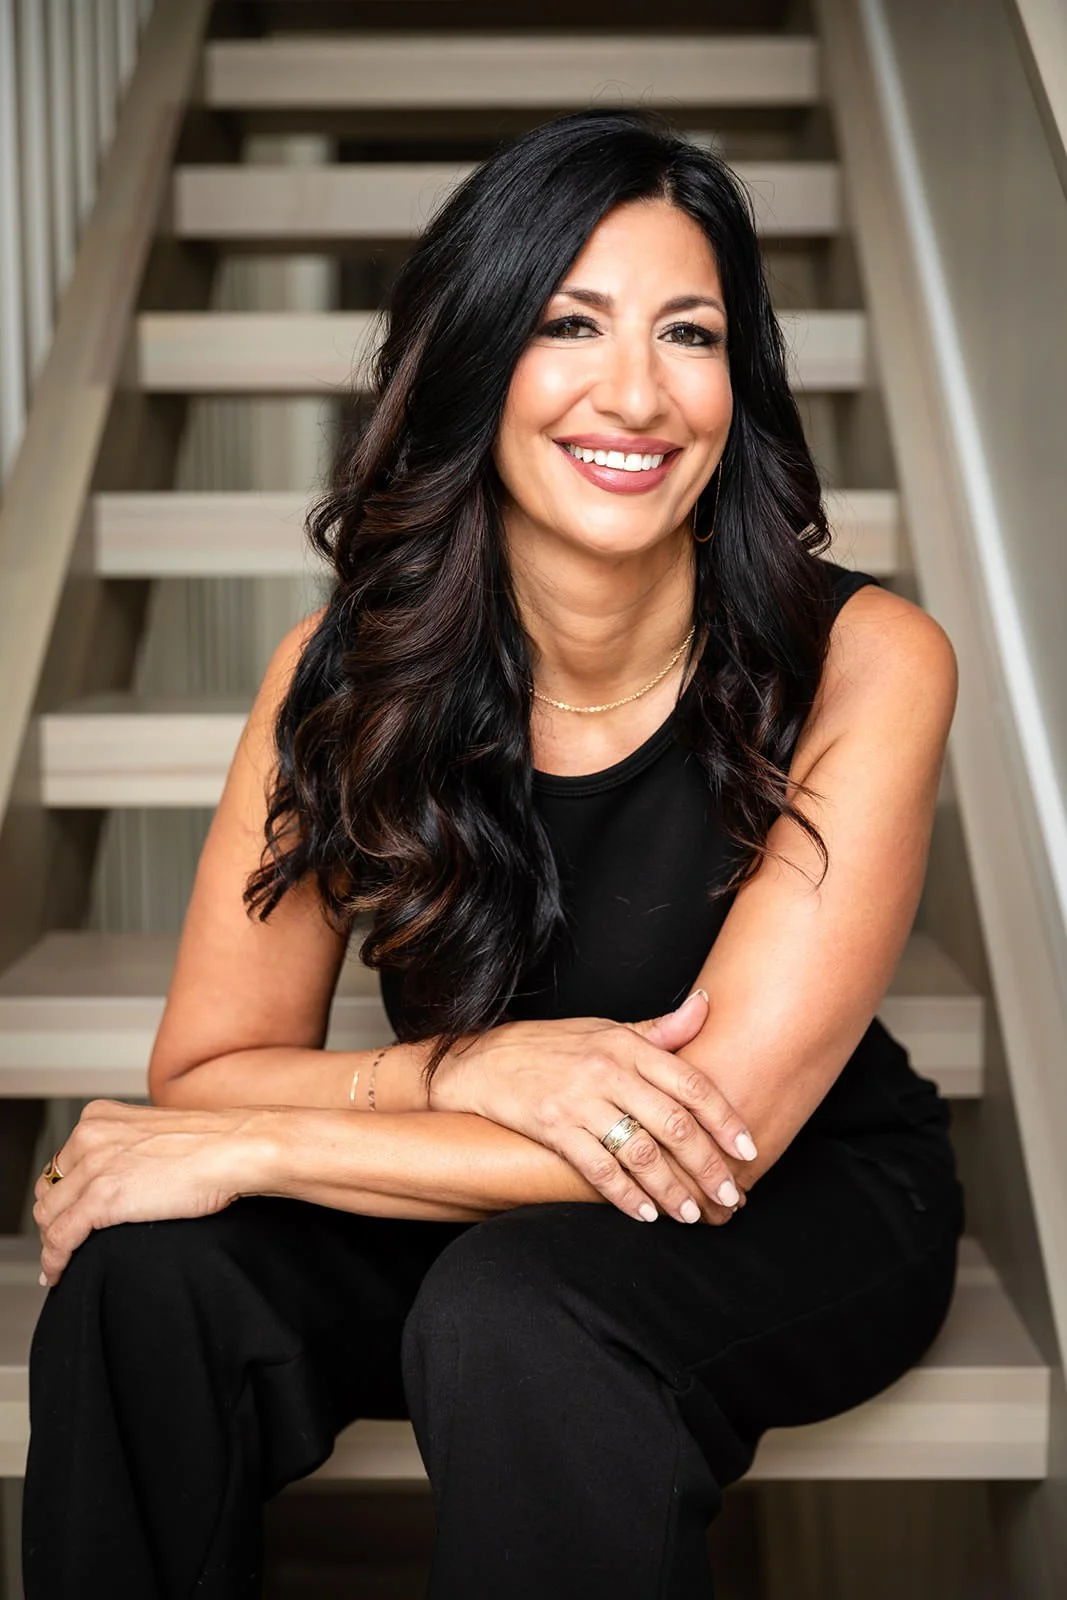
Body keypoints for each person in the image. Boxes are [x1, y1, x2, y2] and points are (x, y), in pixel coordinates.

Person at [23, 107, 965, 1598]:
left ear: (743, 380)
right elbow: (206, 1064)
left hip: (793, 1196)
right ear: (470, 361)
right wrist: (469, 1069)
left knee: (516, 1308)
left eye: (691, 333)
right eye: (567, 323)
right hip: (459, 1183)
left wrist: (259, 1140)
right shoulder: (339, 674)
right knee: (147, 1284)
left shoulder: (867, 656)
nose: (637, 394)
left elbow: (709, 1137)